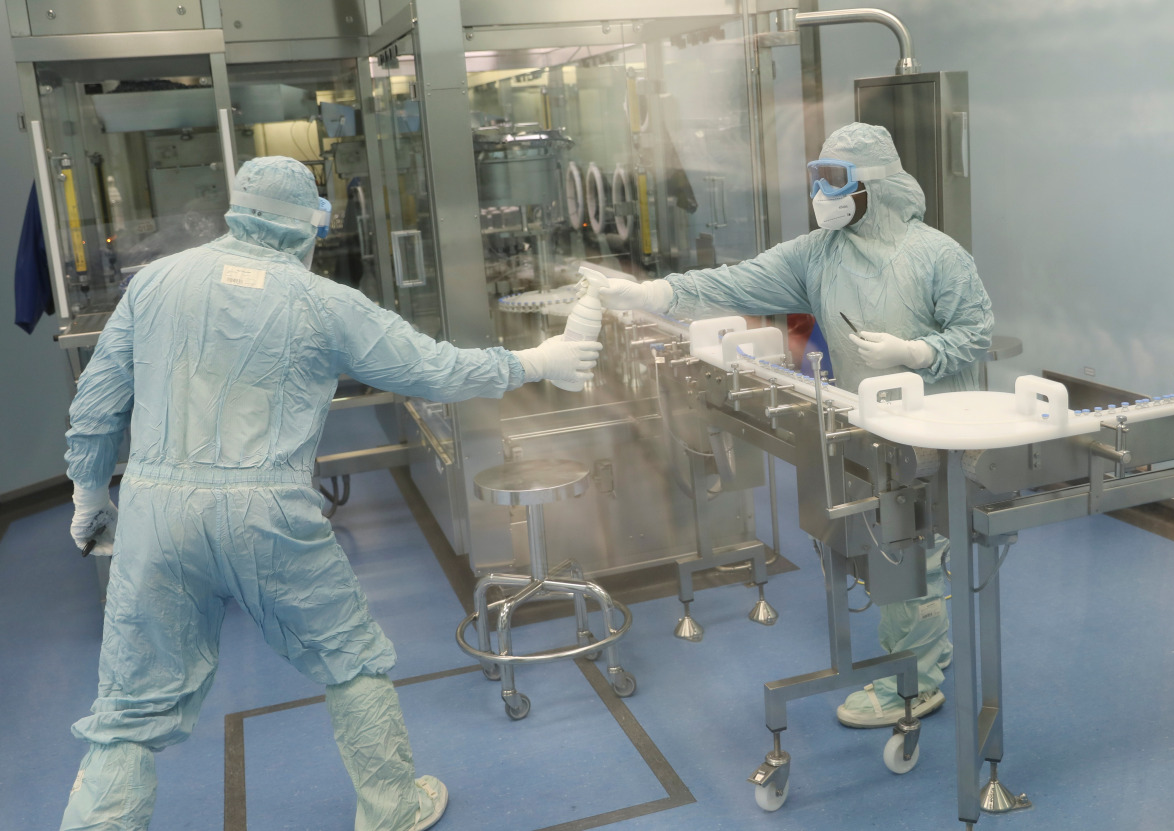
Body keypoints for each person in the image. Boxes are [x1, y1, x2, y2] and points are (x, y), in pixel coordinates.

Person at [61, 156, 601, 830]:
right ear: (308, 223)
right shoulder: (321, 301)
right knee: (351, 658)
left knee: (127, 709)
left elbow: (96, 404)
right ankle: (392, 805)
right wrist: (537, 361)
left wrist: (89, 495)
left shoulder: (156, 283)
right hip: (269, 515)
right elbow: (431, 369)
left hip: (155, 514)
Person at [594, 122, 993, 728]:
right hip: (864, 426)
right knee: (889, 549)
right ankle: (911, 657)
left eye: (835, 179)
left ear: (874, 184)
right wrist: (653, 294)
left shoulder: (937, 254)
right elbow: (734, 281)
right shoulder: (818, 255)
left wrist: (914, 355)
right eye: (816, 177)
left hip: (931, 431)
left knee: (915, 552)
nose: (822, 194)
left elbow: (975, 334)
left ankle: (916, 682)